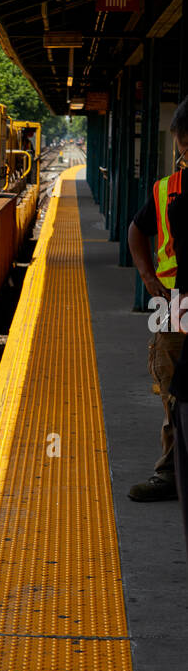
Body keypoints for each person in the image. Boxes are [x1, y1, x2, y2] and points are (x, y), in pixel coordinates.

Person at [127, 98, 188, 501]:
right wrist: (148, 276)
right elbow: (137, 228)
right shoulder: (169, 190)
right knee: (173, 390)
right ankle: (171, 473)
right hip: (177, 302)